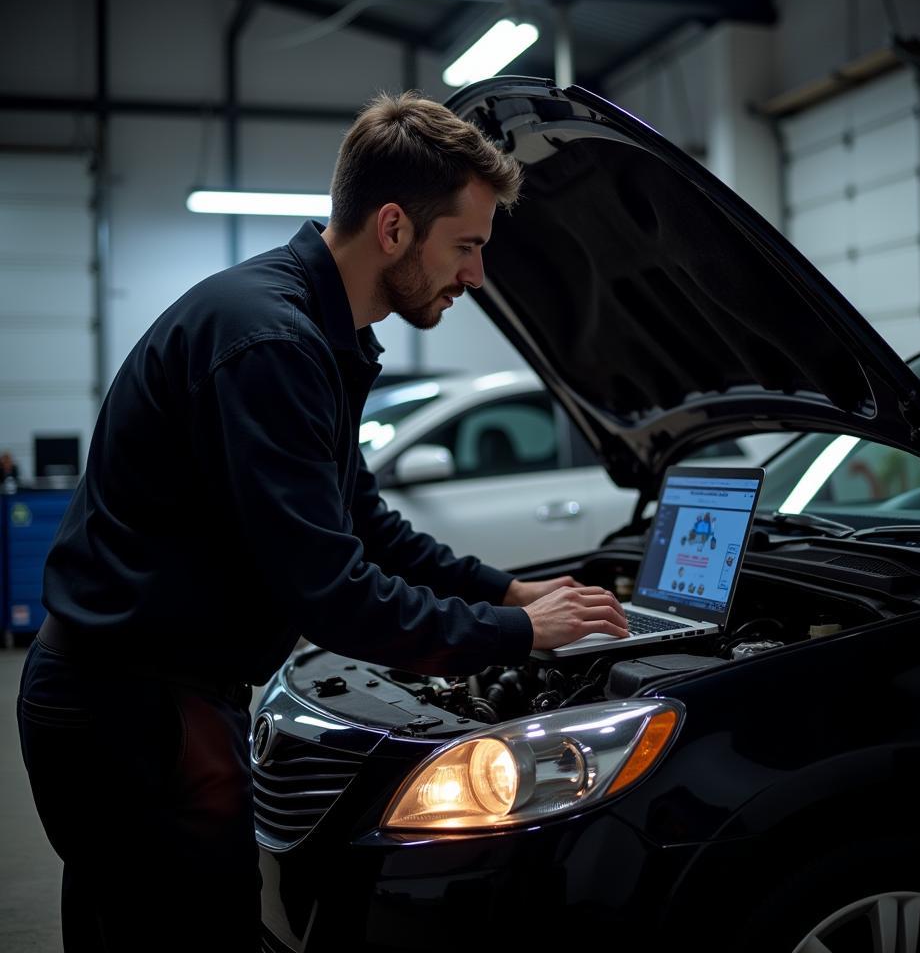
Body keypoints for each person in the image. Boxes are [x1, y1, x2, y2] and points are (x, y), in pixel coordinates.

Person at [16, 91, 628, 953]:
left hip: (150, 698)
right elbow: (330, 593)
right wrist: (514, 634)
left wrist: (507, 588)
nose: (476, 276)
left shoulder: (314, 333)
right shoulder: (272, 343)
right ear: (392, 228)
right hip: (134, 715)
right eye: (468, 245)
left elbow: (364, 525)